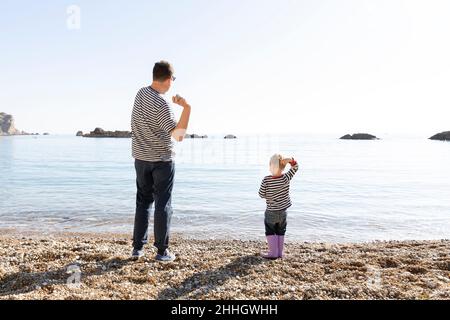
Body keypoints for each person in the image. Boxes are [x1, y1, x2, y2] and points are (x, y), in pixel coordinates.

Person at [131, 60, 191, 262]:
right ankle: (162, 251)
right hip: (162, 161)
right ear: (167, 80)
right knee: (163, 205)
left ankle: (137, 248)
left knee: (143, 202)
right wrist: (187, 108)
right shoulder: (162, 103)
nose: (172, 82)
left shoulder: (140, 93)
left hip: (140, 159)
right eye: (173, 79)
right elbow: (179, 136)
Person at [258, 154, 299, 259]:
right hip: (283, 212)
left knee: (270, 231)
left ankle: (273, 253)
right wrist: (290, 161)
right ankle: (280, 253)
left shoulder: (266, 180)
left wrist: (269, 194)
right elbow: (295, 167)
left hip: (271, 212)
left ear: (270, 166)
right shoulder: (286, 177)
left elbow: (261, 194)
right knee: (281, 231)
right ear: (283, 167)